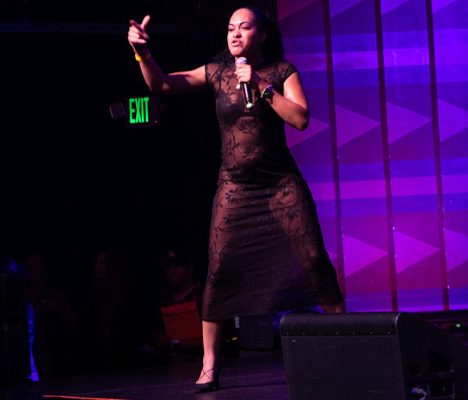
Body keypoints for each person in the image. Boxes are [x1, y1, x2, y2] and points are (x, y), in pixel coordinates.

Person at [127, 5, 345, 392]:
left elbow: (300, 119)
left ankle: (348, 346)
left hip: (280, 184)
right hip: (235, 186)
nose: (235, 34)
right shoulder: (216, 72)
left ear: (262, 35)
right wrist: (142, 53)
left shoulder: (282, 71)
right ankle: (210, 365)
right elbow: (160, 85)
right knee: (219, 268)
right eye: (230, 28)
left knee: (313, 258)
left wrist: (261, 86)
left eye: (244, 28)